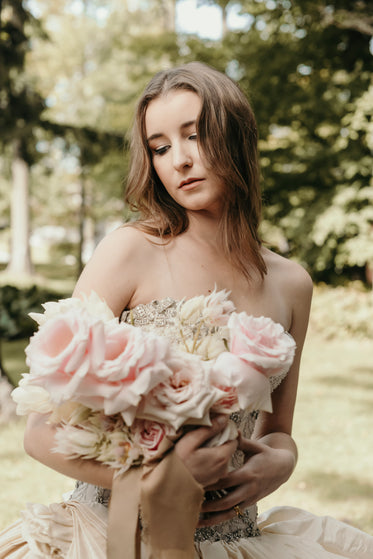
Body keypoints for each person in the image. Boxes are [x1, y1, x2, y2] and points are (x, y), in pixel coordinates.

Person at [0, 61, 372, 559]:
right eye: (160, 147)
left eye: (194, 136)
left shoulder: (292, 283)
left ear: (236, 136)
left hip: (234, 540)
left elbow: (278, 431)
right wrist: (159, 479)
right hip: (115, 538)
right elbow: (41, 431)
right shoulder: (130, 252)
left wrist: (281, 462)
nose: (178, 160)